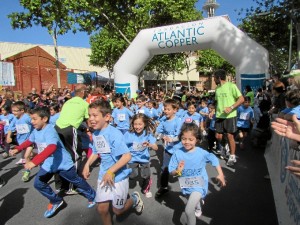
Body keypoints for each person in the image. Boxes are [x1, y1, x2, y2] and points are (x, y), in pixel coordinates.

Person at [9, 107, 96, 218]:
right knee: (38, 183)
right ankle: (56, 201)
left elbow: (51, 147)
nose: (32, 122)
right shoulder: (36, 131)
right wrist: (18, 148)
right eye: (31, 119)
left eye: (34, 119)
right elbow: (29, 141)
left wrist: (34, 162)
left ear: (44, 118)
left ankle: (92, 196)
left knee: (76, 181)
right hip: (49, 163)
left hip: (62, 163)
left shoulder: (50, 130)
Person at [82, 100, 144, 225]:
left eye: (95, 115)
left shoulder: (114, 134)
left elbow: (127, 156)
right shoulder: (95, 133)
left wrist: (111, 171)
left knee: (117, 210)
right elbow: (95, 151)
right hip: (104, 176)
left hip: (119, 178)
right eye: (89, 115)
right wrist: (87, 164)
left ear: (107, 117)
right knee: (102, 209)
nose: (91, 119)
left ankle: (134, 199)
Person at [168, 122, 226, 225]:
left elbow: (214, 159)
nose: (186, 142)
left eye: (191, 139)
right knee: (190, 200)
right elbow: (172, 172)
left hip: (200, 185)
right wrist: (178, 171)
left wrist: (220, 174)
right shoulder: (177, 153)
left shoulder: (201, 153)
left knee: (188, 210)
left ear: (197, 139)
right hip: (185, 185)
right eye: (184, 139)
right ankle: (198, 206)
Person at [55, 84, 89, 194]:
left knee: (60, 155)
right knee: (75, 156)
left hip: (57, 128)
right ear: (83, 92)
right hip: (70, 130)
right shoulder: (84, 104)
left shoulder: (67, 102)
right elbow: (88, 121)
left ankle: (59, 185)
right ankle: (71, 186)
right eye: (87, 91)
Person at [214, 69, 244, 166]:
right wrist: (213, 111)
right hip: (219, 115)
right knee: (218, 136)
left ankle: (232, 156)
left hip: (230, 116)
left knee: (230, 136)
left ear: (219, 78)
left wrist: (231, 107)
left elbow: (241, 99)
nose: (214, 80)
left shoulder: (232, 86)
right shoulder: (217, 88)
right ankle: (224, 146)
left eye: (214, 77)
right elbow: (217, 102)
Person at [124, 113, 158, 198]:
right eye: (135, 124)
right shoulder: (129, 134)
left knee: (146, 175)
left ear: (145, 124)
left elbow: (156, 148)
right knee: (133, 175)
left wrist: (150, 144)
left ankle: (146, 189)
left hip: (144, 158)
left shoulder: (147, 134)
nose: (137, 126)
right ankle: (124, 180)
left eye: (140, 124)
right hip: (132, 158)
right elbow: (122, 145)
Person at [155, 99, 182, 198]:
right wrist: (159, 135)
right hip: (168, 150)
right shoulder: (163, 121)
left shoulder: (178, 121)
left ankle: (189, 188)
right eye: (165, 109)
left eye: (168, 109)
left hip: (179, 151)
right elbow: (157, 132)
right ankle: (164, 187)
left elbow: (180, 136)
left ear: (175, 110)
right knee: (164, 169)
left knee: (181, 170)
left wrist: (171, 139)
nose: (166, 111)